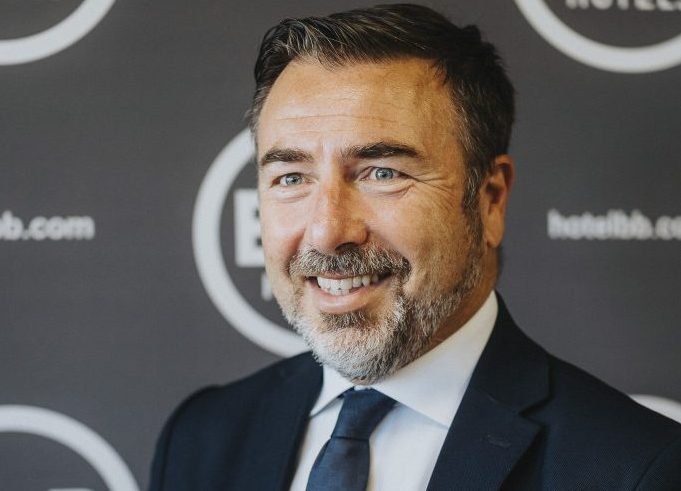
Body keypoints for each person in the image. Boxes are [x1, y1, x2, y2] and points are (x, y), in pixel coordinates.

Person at [149, 4, 681, 490]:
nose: (327, 231)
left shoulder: (633, 469)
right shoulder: (202, 438)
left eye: (382, 172)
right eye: (291, 177)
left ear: (490, 200)